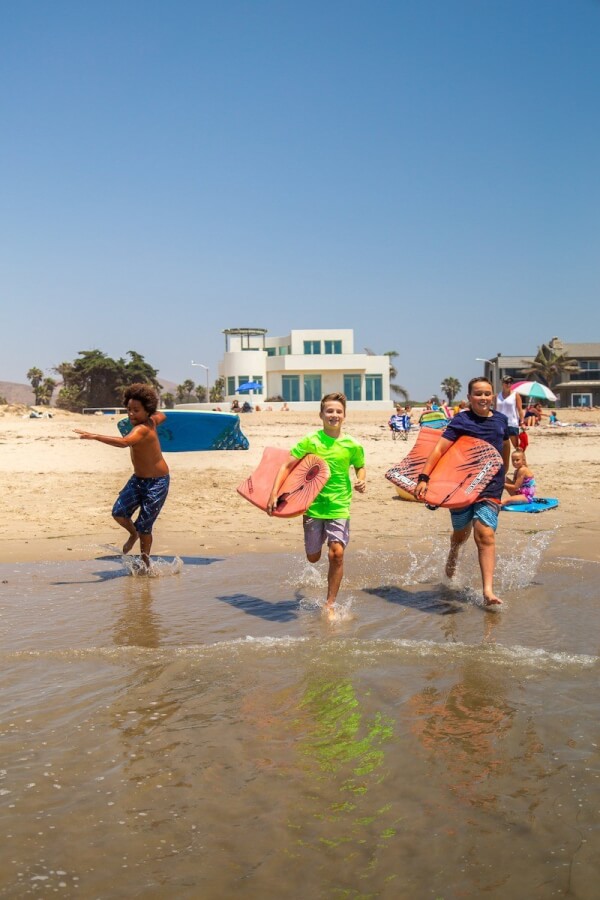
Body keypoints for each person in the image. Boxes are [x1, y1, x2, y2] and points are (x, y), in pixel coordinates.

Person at [266, 392, 366, 617]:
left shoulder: (352, 445)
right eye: (329, 411)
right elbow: (286, 466)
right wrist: (274, 495)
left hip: (339, 505)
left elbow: (360, 465)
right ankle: (316, 547)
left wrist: (362, 479)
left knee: (337, 554)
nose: (334, 415)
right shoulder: (311, 441)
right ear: (321, 414)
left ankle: (329, 604)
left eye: (338, 411)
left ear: (344, 416)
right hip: (311, 505)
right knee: (313, 557)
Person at [415, 377, 511, 608]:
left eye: (487, 393)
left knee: (484, 534)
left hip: (490, 484)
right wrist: (424, 478)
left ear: (492, 396)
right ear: (469, 397)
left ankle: (488, 591)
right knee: (461, 534)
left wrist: (503, 470)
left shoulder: (500, 420)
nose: (483, 398)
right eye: (478, 394)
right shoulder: (461, 420)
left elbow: (506, 445)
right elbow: (440, 449)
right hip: (461, 484)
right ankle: (453, 553)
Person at [74, 383, 169, 569]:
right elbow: (162, 415)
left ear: (147, 410)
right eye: (129, 410)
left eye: (136, 410)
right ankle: (133, 534)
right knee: (118, 512)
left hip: (157, 482)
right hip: (138, 479)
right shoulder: (152, 420)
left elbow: (125, 442)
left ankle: (145, 562)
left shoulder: (141, 429)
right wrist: (157, 415)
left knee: (145, 526)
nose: (131, 414)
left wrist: (95, 436)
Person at [495, 376, 524, 448]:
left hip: (512, 423)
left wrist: (522, 422)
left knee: (516, 447)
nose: (509, 384)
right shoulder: (497, 396)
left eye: (510, 383)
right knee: (501, 446)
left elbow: (520, 409)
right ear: (502, 383)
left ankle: (521, 459)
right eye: (506, 382)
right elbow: (495, 410)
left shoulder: (515, 395)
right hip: (500, 424)